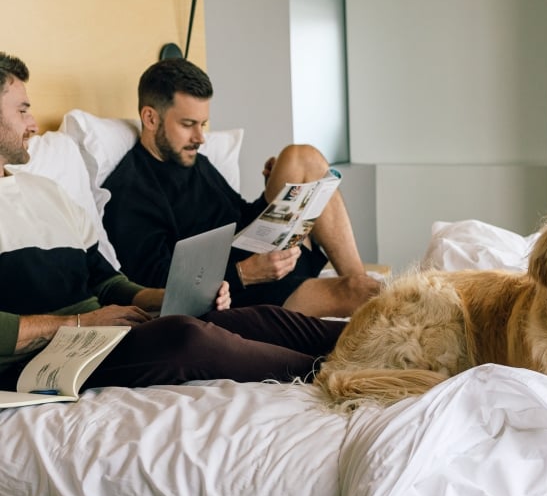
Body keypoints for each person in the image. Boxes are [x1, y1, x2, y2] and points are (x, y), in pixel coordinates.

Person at [0, 51, 344, 392]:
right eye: (23, 110)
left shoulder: (49, 192)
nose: (33, 124)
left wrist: (166, 299)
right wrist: (81, 323)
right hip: (45, 359)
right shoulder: (134, 188)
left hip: (96, 334)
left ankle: (370, 343)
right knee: (186, 337)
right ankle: (332, 373)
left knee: (254, 319)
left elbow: (105, 282)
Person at [102, 58, 381, 317]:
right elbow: (158, 289)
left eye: (203, 124)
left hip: (264, 256)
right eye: (188, 125)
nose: (200, 138)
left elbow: (235, 214)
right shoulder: (130, 192)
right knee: (359, 293)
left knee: (300, 157)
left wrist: (273, 194)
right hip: (239, 291)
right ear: (150, 118)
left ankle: (357, 274)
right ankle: (362, 288)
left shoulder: (192, 161)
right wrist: (245, 273)